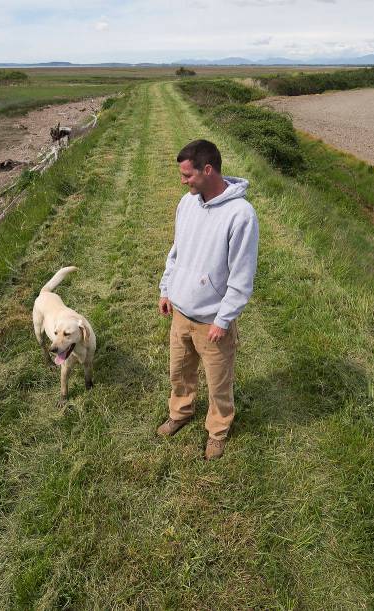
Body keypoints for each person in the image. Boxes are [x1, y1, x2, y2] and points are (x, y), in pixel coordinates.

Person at [157, 139, 259, 460]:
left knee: (218, 384)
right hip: (180, 313)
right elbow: (176, 252)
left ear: (208, 170)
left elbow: (241, 276)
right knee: (179, 372)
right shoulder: (186, 203)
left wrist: (223, 319)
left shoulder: (241, 215)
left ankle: (217, 430)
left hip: (213, 322)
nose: (183, 181)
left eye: (187, 175)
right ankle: (180, 412)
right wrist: (166, 289)